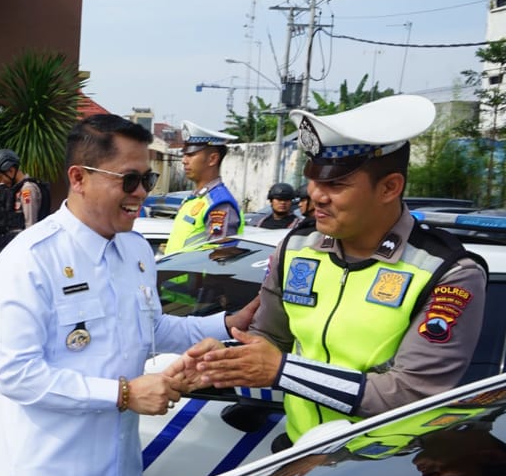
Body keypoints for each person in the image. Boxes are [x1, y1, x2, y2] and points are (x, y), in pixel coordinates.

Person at [170, 95, 488, 448]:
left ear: (389, 187)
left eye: (336, 185)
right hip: (302, 458)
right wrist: (223, 358)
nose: (315, 196)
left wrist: (282, 370)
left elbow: (412, 393)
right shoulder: (296, 246)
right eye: (312, 179)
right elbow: (270, 340)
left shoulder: (447, 272)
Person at [0, 113, 257, 476]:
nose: (141, 192)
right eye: (129, 179)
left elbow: (152, 328)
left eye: (147, 180)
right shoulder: (29, 259)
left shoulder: (135, 250)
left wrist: (226, 325)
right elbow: (18, 375)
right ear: (78, 178)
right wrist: (124, 394)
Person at [163, 121, 243, 253]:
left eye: (191, 155)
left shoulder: (219, 204)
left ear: (212, 159)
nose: (184, 160)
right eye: (184, 154)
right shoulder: (196, 198)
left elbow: (219, 260)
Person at [0, 148, 47, 252]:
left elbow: (30, 223)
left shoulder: (27, 189)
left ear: (11, 171)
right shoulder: (6, 189)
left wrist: (28, 248)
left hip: (17, 245)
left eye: (0, 176)